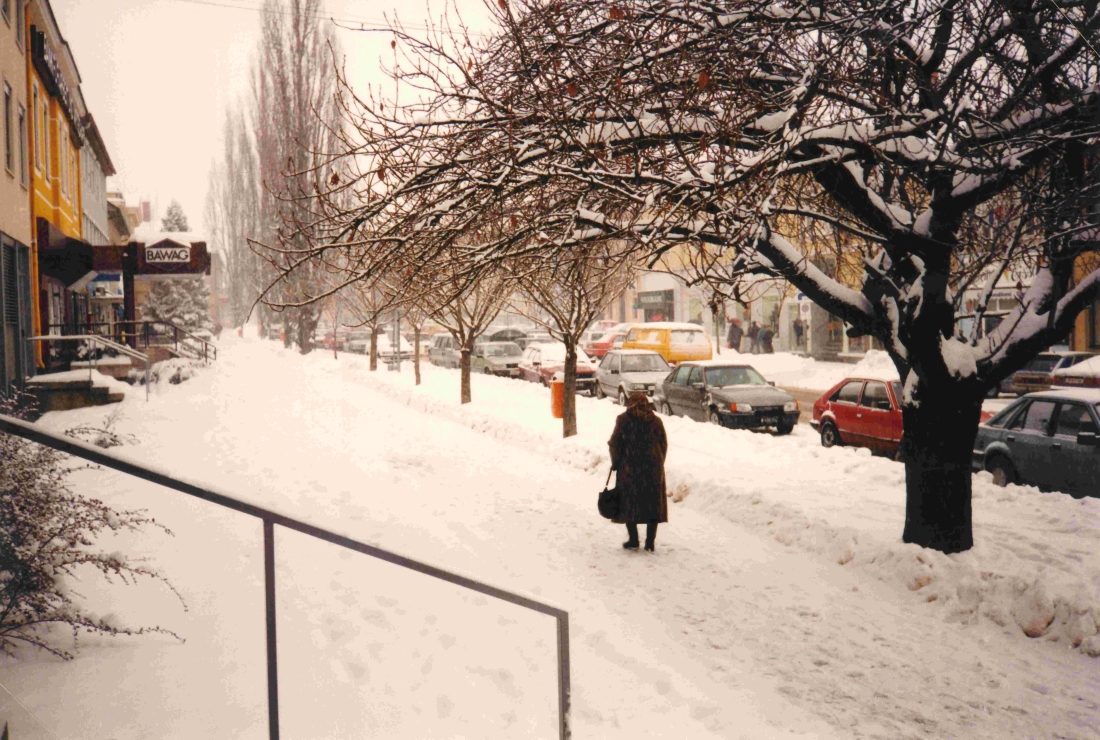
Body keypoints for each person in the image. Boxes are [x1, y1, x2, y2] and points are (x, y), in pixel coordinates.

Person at [608, 392, 668, 552]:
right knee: (652, 504)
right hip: (652, 469)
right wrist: (659, 462)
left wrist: (616, 462)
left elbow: (614, 443)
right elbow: (663, 444)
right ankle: (650, 542)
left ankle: (634, 539)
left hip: (629, 468)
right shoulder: (656, 421)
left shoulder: (624, 420)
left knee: (629, 503)